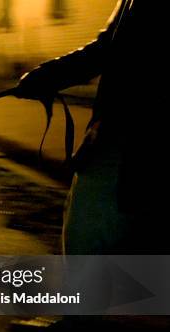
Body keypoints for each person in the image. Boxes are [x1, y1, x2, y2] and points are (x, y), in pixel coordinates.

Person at [14, 0, 168, 255]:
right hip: (124, 141)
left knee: (91, 245)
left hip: (128, 143)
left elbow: (107, 50)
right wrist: (46, 76)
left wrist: (46, 77)